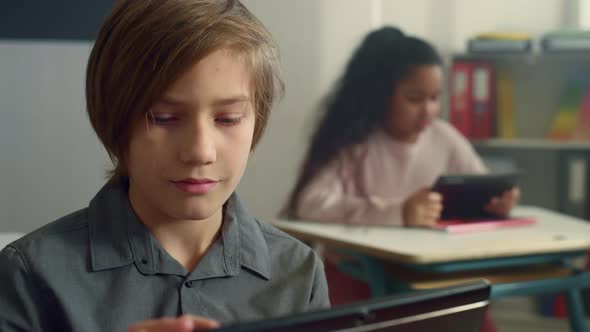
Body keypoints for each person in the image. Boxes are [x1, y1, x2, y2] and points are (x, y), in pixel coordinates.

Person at [0, 1, 329, 331]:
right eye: (164, 118)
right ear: (114, 119)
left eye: (228, 119)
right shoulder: (30, 276)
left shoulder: (299, 274)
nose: (200, 151)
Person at [283, 26, 518, 331]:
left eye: (435, 98)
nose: (428, 111)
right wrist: (398, 212)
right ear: (382, 94)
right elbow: (309, 203)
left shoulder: (444, 137)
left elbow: (480, 183)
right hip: (357, 278)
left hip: (430, 276)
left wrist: (495, 203)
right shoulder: (355, 143)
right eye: (414, 98)